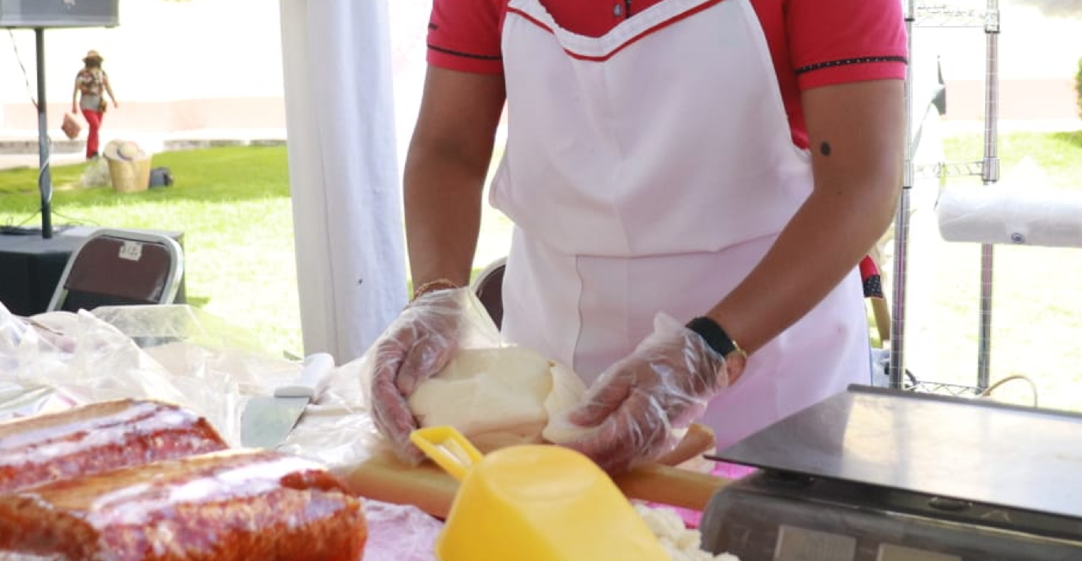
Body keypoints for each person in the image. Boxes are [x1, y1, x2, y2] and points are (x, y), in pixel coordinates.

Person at [368, 0, 908, 475]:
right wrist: (437, 295)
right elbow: (448, 150)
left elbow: (861, 183)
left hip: (769, 360)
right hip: (551, 363)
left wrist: (708, 349)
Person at [72, 50, 118, 160]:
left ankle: (92, 152)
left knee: (95, 128)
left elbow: (107, 86)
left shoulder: (102, 73)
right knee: (94, 125)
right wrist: (74, 104)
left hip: (100, 103)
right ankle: (92, 150)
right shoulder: (82, 73)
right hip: (86, 102)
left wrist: (114, 99)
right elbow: (76, 89)